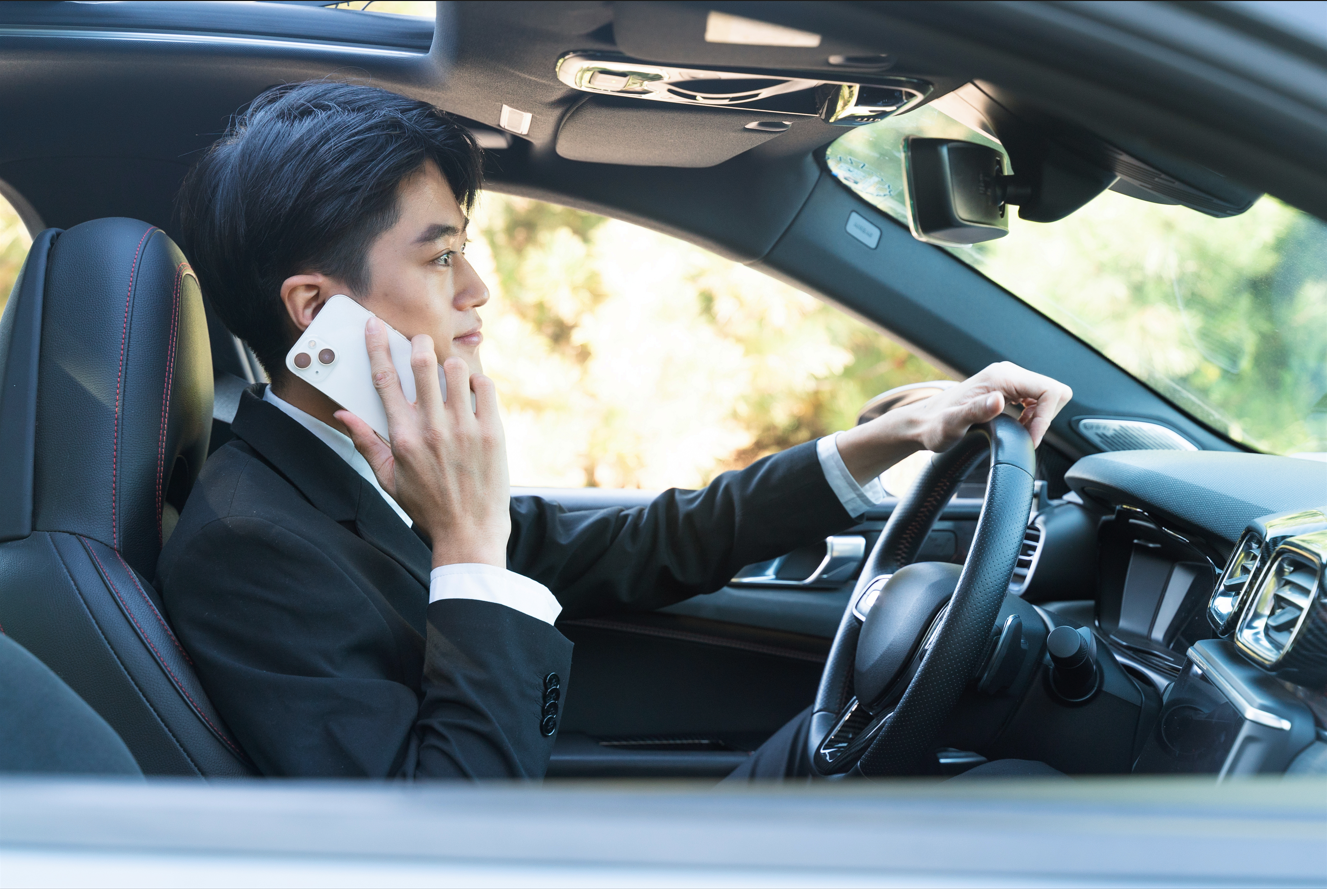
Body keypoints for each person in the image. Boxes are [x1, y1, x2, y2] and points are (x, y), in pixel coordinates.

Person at [158, 81, 1073, 779]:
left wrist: (884, 438)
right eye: (441, 257)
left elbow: (645, 543)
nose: (478, 292)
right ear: (316, 311)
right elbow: (433, 841)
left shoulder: (370, 467)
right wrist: (470, 542)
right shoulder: (249, 546)